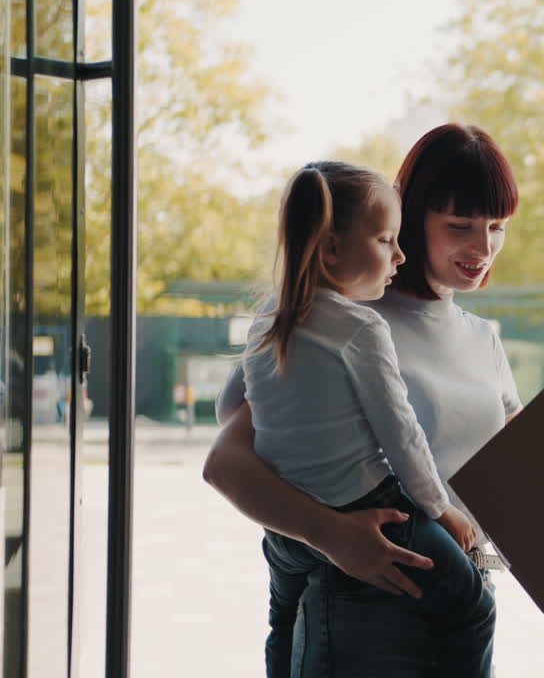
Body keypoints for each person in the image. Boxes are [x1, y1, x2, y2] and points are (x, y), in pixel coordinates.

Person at [206, 125, 522, 677]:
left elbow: (537, 457)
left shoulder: (482, 338)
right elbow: (228, 463)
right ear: (410, 215)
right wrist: (331, 535)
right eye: (459, 226)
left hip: (457, 592)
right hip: (365, 593)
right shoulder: (339, 321)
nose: (483, 247)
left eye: (497, 227)